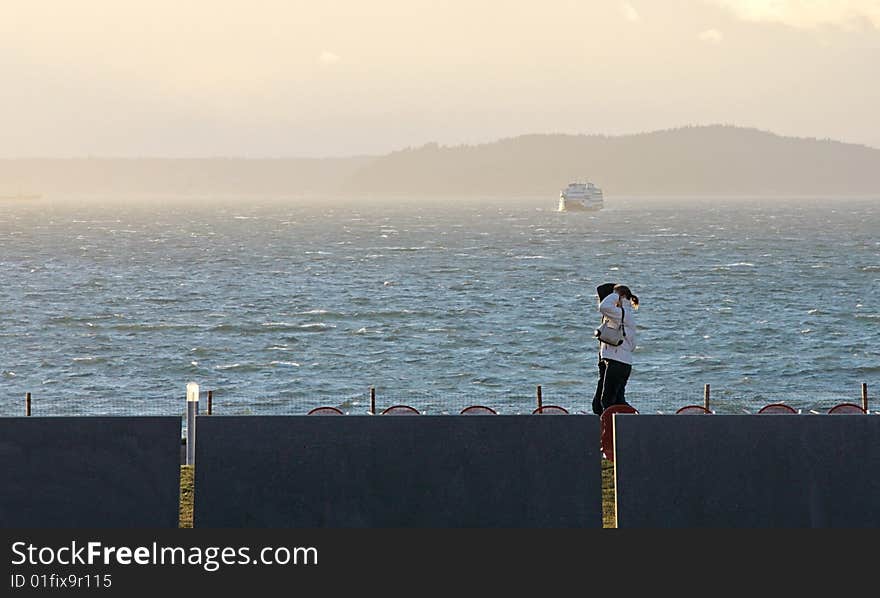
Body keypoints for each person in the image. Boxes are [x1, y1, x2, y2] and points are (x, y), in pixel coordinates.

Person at [596, 284, 639, 413]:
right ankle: (634, 420)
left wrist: (616, 294)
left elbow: (603, 307)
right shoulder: (621, 314)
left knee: (607, 401)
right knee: (616, 400)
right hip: (619, 361)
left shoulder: (622, 313)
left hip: (618, 361)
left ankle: (631, 423)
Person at [591, 282, 617, 415]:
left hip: (607, 357)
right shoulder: (610, 313)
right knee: (608, 392)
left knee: (604, 390)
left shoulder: (610, 313)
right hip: (607, 357)